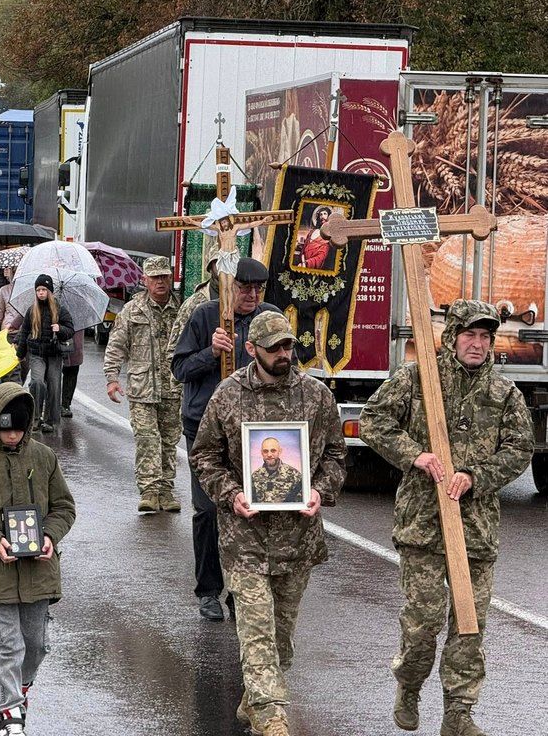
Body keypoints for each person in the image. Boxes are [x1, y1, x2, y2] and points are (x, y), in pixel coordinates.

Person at [359, 300, 533, 736]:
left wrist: (476, 476)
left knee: (469, 626)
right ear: (452, 337)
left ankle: (458, 712)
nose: (478, 344)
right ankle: (409, 684)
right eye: (470, 334)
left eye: (485, 336)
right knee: (424, 623)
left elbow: (519, 449)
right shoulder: (418, 378)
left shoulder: (504, 393)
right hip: (423, 524)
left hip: (475, 529)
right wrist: (414, 455)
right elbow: (373, 421)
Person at [194, 311, 346, 736]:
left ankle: (255, 697)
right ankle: (270, 714)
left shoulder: (316, 396)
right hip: (244, 538)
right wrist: (232, 494)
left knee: (281, 637)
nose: (283, 354)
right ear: (251, 349)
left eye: (288, 346)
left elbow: (336, 455)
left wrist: (319, 491)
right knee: (256, 628)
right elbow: (204, 456)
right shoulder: (228, 395)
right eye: (274, 347)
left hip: (297, 539)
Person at [0, 382, 77, 736]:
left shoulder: (44, 458)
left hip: (39, 571)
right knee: (7, 646)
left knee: (35, 646)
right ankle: (10, 714)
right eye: (5, 429)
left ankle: (20, 691)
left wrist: (50, 535)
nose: (12, 436)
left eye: (18, 429)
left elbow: (64, 507)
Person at [171, 257, 278, 621]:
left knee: (249, 510)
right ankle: (208, 590)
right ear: (229, 287)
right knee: (208, 509)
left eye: (258, 289)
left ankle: (241, 589)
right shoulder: (204, 316)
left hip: (253, 432)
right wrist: (211, 352)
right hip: (205, 428)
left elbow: (286, 365)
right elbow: (180, 369)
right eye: (245, 288)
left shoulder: (270, 317)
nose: (252, 296)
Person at [104, 255, 184, 513]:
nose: (160, 282)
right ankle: (149, 490)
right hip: (142, 387)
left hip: (172, 386)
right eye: (155, 277)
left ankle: (166, 490)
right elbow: (116, 345)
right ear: (145, 280)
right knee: (147, 439)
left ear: (170, 278)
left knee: (169, 441)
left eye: (164, 277)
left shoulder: (181, 309)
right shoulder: (132, 310)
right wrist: (112, 378)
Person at [16, 275, 74, 435]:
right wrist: (20, 353)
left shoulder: (60, 309)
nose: (41, 292)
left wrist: (60, 329)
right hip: (36, 353)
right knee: (37, 383)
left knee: (54, 386)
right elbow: (24, 332)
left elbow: (70, 329)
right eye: (38, 290)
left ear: (50, 291)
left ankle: (50, 421)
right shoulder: (31, 310)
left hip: (54, 354)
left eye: (43, 289)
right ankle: (35, 418)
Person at [167, 240, 219, 359]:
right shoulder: (195, 303)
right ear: (211, 266)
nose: (224, 266)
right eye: (219, 262)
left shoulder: (247, 299)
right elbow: (176, 350)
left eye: (230, 261)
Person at [251, 438, 302, 504]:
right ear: (261, 453)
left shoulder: (295, 476)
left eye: (273, 450)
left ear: (279, 451)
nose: (269, 455)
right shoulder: (254, 477)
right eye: (265, 451)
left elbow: (300, 504)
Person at [59, 330, 83, 419]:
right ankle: (50, 403)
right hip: (55, 341)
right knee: (51, 375)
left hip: (75, 344)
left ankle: (65, 404)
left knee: (72, 372)